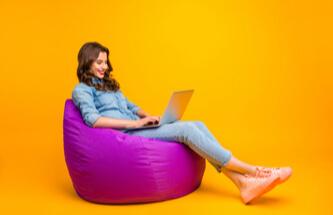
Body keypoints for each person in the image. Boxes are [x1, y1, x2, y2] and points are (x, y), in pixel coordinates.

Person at [71, 41, 292, 204]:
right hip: (127, 136)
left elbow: (131, 107)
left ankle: (242, 184)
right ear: (87, 61)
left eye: (106, 62)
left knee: (197, 124)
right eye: (99, 62)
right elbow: (93, 120)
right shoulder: (81, 90)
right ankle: (253, 172)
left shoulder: (110, 86)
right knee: (186, 129)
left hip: (139, 129)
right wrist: (137, 125)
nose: (104, 66)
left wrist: (151, 117)